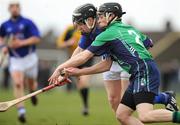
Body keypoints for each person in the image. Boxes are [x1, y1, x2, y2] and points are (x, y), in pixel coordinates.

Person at [49, 2, 180, 124]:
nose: (98, 19)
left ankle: (168, 104)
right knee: (121, 114)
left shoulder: (106, 33)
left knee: (145, 116)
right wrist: (69, 72)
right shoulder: (125, 28)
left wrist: (60, 68)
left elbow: (84, 57)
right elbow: (148, 43)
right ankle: (163, 97)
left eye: (101, 16)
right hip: (135, 69)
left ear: (111, 16)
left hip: (141, 69)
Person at [0, 1, 40, 123]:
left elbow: (37, 38)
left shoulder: (28, 22)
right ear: (9, 9)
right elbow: (1, 39)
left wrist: (20, 43)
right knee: (18, 83)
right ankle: (21, 111)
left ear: (19, 8)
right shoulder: (5, 25)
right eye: (12, 7)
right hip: (15, 59)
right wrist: (4, 47)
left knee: (31, 84)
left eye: (16, 6)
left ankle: (33, 92)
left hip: (30, 58)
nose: (14, 9)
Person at [56, 25, 92, 115]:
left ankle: (85, 106)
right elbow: (59, 44)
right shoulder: (69, 29)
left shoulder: (89, 28)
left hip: (87, 58)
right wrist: (68, 43)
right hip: (73, 59)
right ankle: (85, 105)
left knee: (83, 81)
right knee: (80, 84)